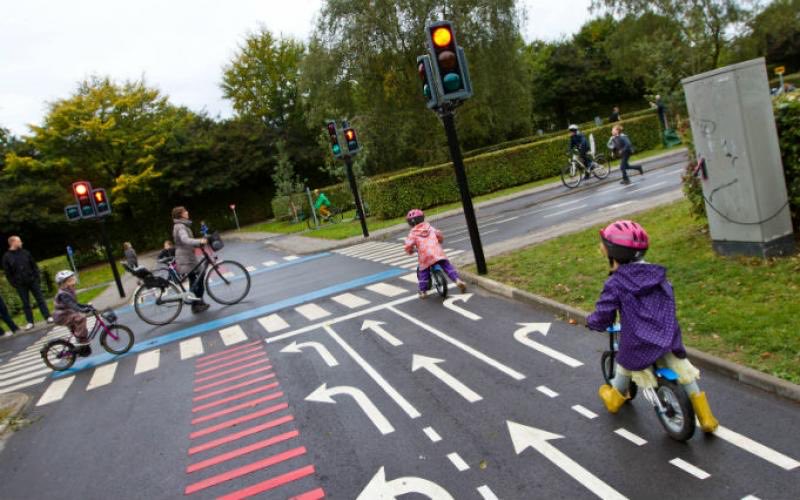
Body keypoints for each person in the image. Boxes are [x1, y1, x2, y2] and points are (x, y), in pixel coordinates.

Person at [587, 220, 719, 433]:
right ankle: (707, 417)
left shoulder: (616, 283)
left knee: (624, 363)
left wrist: (593, 322)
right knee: (683, 370)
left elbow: (604, 313)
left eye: (603, 244)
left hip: (638, 339)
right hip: (667, 333)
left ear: (612, 252)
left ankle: (614, 398)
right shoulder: (657, 274)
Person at [403, 209, 467, 299]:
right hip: (437, 251)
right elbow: (439, 234)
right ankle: (457, 280)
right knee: (447, 266)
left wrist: (409, 251)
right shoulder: (429, 227)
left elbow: (408, 245)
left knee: (423, 272)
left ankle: (423, 291)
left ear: (410, 223)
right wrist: (440, 240)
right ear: (422, 218)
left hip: (425, 255)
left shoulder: (413, 233)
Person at [2, 236, 53, 330]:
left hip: (32, 280)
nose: (21, 243)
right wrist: (14, 284)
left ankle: (48, 317)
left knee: (40, 299)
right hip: (20, 284)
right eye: (19, 241)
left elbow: (34, 265)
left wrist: (36, 278)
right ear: (13, 243)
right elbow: (8, 273)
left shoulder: (25, 253)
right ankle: (30, 322)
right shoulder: (6, 257)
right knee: (26, 303)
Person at [172, 206, 209, 313]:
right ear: (181, 214)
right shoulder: (180, 226)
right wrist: (199, 241)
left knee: (196, 278)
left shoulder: (182, 225)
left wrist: (198, 244)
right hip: (185, 258)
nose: (187, 212)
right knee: (197, 278)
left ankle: (198, 302)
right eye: (185, 211)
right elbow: (185, 240)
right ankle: (195, 304)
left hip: (188, 256)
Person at [53, 270, 94, 356]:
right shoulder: (63, 294)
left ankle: (81, 347)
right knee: (81, 318)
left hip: (67, 313)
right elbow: (72, 305)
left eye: (73, 280)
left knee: (78, 320)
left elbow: (76, 304)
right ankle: (82, 339)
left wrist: (86, 306)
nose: (73, 283)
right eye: (70, 281)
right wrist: (83, 310)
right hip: (62, 316)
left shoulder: (68, 291)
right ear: (63, 284)